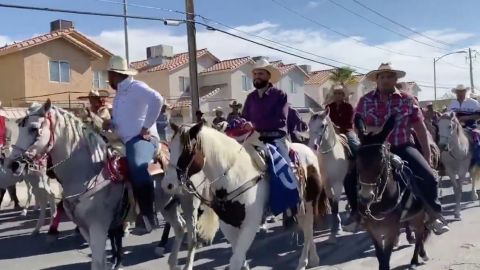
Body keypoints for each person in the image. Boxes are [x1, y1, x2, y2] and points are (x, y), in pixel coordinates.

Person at [344, 63, 449, 235]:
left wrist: (427, 155)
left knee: (428, 176)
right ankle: (356, 215)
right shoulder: (365, 100)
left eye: (389, 76)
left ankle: (433, 215)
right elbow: (358, 126)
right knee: (349, 179)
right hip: (374, 148)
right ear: (377, 80)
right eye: (382, 77)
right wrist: (371, 131)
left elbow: (419, 128)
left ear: (395, 79)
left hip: (401, 146)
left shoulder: (407, 99)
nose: (385, 80)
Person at [103, 55, 163, 233]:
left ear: (114, 74)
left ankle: (148, 217)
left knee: (137, 166)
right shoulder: (119, 94)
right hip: (121, 139)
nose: (108, 79)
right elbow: (124, 120)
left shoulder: (136, 87)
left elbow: (157, 99)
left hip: (141, 139)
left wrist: (145, 127)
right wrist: (111, 123)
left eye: (109, 75)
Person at [325, 84, 360, 153]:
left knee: (355, 145)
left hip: (346, 131)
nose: (337, 95)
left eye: (339, 93)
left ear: (343, 95)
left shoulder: (348, 107)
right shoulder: (328, 107)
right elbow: (325, 119)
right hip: (331, 131)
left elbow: (350, 122)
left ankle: (360, 160)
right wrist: (333, 127)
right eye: (335, 93)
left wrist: (339, 129)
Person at [0, 112, 20, 209]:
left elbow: (7, 142)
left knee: (8, 178)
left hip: (3, 154)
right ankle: (15, 200)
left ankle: (14, 200)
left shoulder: (6, 128)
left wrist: (3, 148)